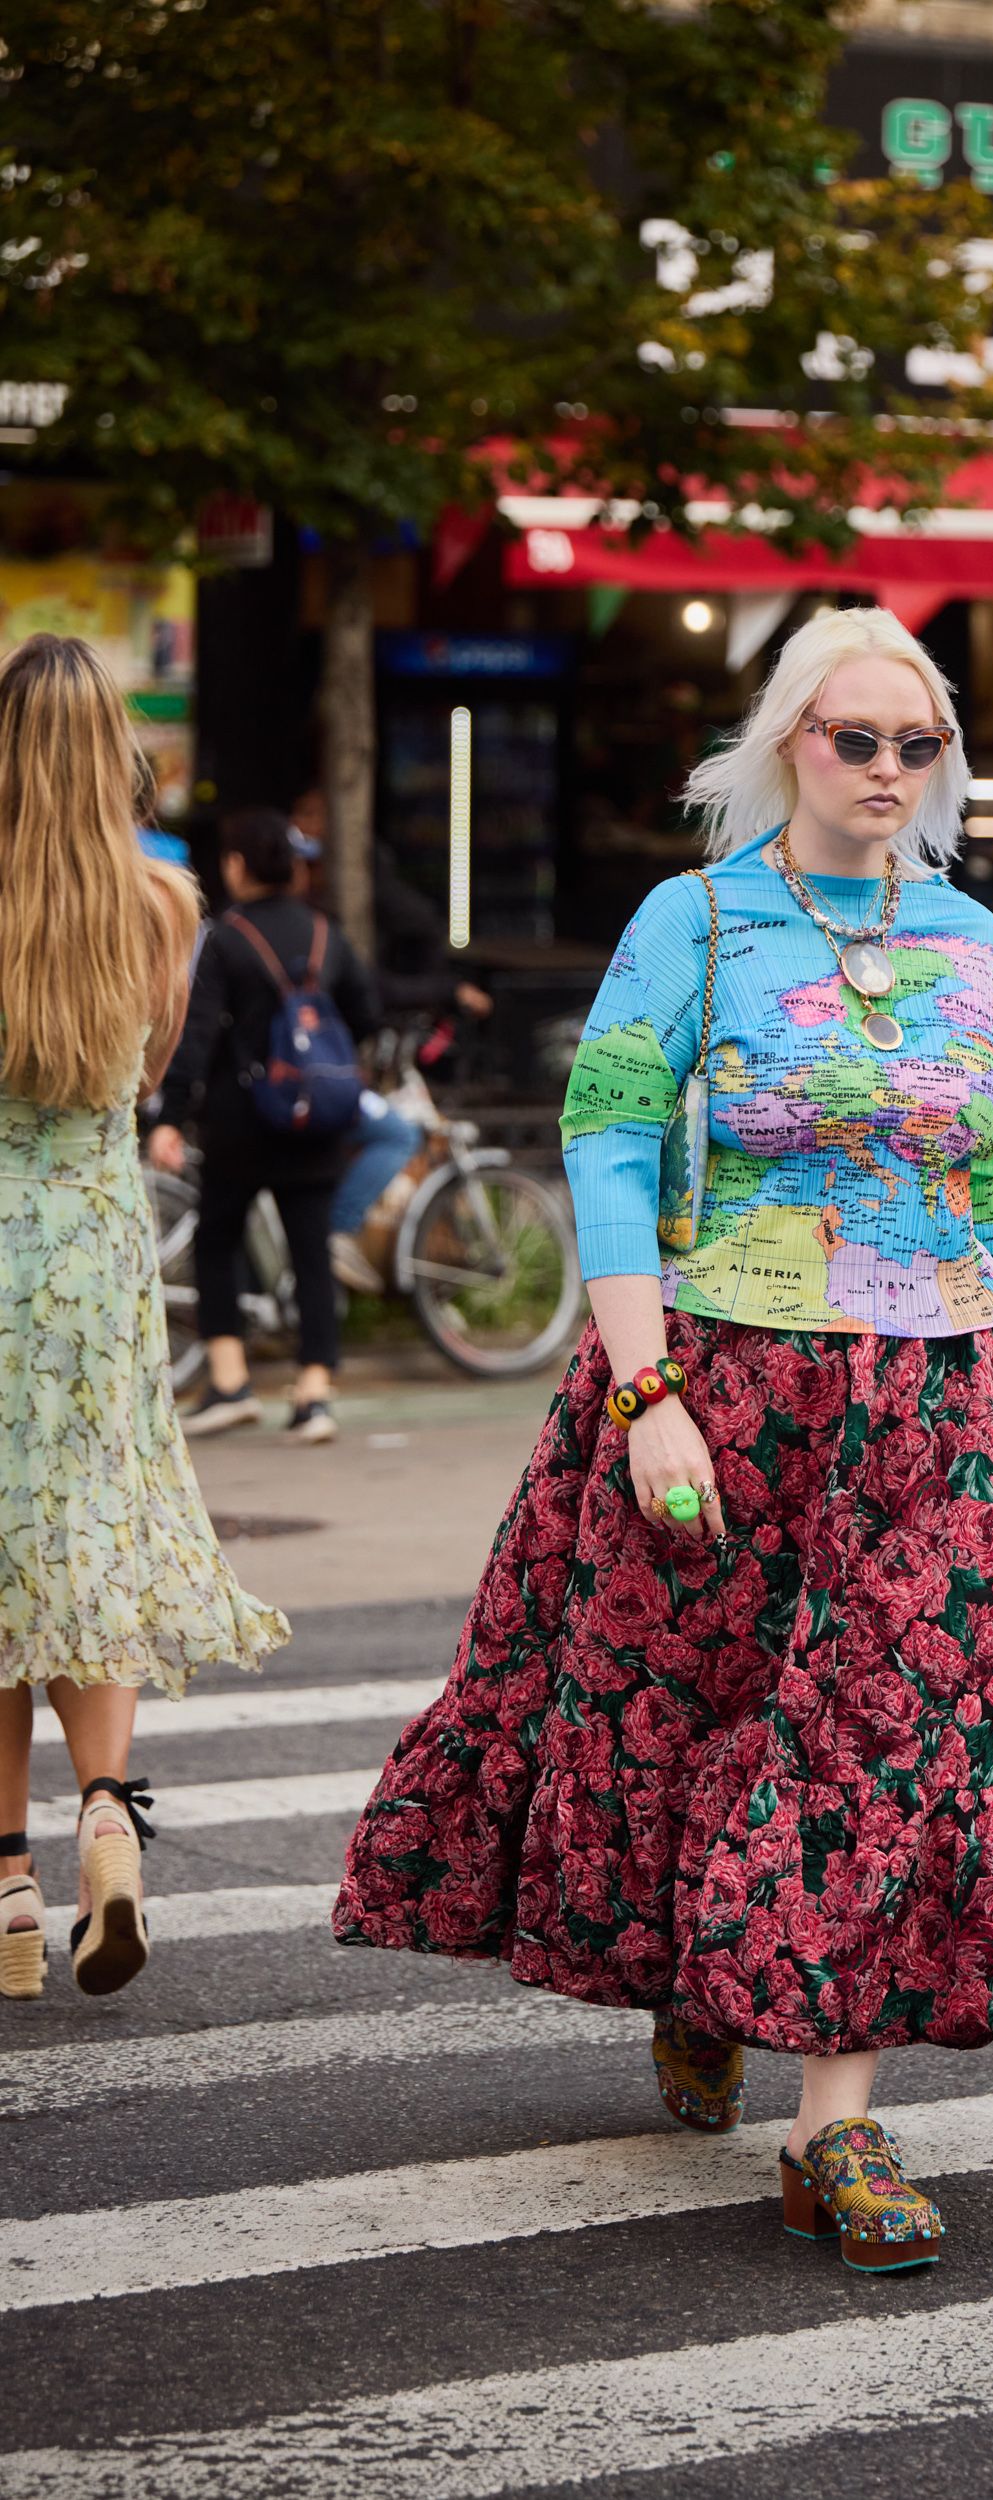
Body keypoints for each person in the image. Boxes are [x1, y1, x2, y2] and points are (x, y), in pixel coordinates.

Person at [335, 605, 993, 2274]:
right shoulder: (689, 926)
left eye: (920, 745)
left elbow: (975, 1179)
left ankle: (831, 2124)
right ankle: (713, 1976)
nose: (890, 771)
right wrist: (641, 1393)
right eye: (857, 740)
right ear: (787, 744)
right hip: (725, 1380)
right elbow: (609, 1142)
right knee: (703, 1705)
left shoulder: (973, 942)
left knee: (891, 1740)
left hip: (934, 1402)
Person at [0, 635, 288, 2003]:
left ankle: (3, 1878)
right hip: (98, 1253)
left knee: (0, 1551)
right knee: (91, 1530)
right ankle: (105, 1816)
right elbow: (151, 1072)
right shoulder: (166, 899)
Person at [149, 807, 378, 1446]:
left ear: (239, 865)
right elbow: (365, 1014)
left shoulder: (227, 937)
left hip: (241, 1123)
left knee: (218, 1240)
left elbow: (195, 1035)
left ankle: (230, 1382)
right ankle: (314, 1394)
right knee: (312, 1253)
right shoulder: (326, 932)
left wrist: (170, 1116)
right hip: (318, 1125)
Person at [287, 792, 489, 1293]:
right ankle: (338, 1233)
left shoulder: (265, 926)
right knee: (397, 1134)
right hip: (308, 1082)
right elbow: (370, 991)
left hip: (278, 1079)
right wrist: (447, 991)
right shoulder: (316, 927)